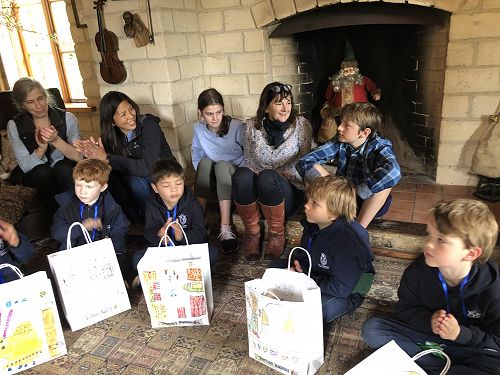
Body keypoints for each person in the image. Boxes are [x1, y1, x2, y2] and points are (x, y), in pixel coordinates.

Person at [362, 199, 500, 374]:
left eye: (441, 239)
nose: (428, 244)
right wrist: (430, 320)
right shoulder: (417, 271)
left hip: (469, 347)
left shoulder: (492, 288)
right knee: (373, 330)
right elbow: (405, 309)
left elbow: (496, 341)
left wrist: (460, 334)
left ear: (470, 253)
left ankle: (435, 365)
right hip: (429, 338)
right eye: (429, 234)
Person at [273, 176, 374, 322]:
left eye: (315, 203)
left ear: (333, 213)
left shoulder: (349, 242)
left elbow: (341, 288)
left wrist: (305, 279)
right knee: (274, 268)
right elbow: (304, 253)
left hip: (347, 290)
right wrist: (298, 269)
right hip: (319, 273)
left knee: (319, 309)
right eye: (308, 200)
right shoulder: (313, 224)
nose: (306, 206)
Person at [232, 82, 312, 261]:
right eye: (278, 103)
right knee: (241, 175)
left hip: (288, 193)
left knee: (268, 177)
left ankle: (276, 235)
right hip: (260, 194)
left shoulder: (301, 125)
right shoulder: (252, 126)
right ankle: (252, 233)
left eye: (289, 102)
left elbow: (306, 163)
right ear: (266, 107)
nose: (286, 108)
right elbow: (250, 161)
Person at [74, 91, 175, 224]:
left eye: (131, 109)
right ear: (112, 122)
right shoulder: (110, 136)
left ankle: (152, 221)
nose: (131, 116)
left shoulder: (149, 125)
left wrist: (107, 158)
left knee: (135, 183)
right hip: (134, 176)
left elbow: (149, 167)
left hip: (162, 172)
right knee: (110, 180)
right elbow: (109, 169)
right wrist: (97, 160)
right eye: (123, 114)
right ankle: (129, 221)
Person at [297, 102, 400, 228]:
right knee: (313, 167)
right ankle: (323, 215)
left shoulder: (379, 147)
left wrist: (357, 191)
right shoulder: (340, 141)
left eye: (347, 125)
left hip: (364, 201)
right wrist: (331, 189)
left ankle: (357, 229)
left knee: (385, 185)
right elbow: (305, 161)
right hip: (340, 199)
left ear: (364, 133)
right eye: (341, 122)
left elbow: (394, 171)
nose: (339, 127)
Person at [131, 159, 219, 288]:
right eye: (166, 186)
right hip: (164, 251)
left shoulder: (192, 203)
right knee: (137, 258)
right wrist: (159, 235)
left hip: (187, 251)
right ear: (155, 188)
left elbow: (201, 233)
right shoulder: (152, 204)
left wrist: (181, 236)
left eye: (178, 183)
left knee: (212, 253)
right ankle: (182, 275)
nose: (174, 190)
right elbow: (149, 232)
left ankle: (160, 275)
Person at [7, 77, 82, 212]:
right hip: (35, 173)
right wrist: (41, 149)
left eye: (41, 98)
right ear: (22, 105)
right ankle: (58, 216)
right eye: (30, 102)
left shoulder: (68, 118)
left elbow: (79, 157)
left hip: (64, 168)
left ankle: (77, 212)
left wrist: (55, 140)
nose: (38, 106)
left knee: (62, 167)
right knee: (44, 172)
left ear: (46, 96)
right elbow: (24, 166)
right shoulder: (14, 125)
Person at [51, 159, 131, 283]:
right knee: (61, 266)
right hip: (77, 252)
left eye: (89, 186)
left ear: (103, 187)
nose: (83, 191)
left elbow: (120, 230)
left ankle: (120, 283)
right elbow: (57, 233)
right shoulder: (66, 206)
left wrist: (108, 245)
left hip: (104, 253)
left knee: (122, 258)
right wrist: (81, 227)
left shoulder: (112, 208)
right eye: (78, 185)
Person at [191, 88, 244, 254]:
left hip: (233, 170)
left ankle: (225, 228)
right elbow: (197, 154)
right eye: (209, 114)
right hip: (212, 171)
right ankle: (200, 223)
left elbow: (248, 153)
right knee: (204, 163)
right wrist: (203, 173)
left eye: (218, 112)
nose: (215, 118)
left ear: (223, 110)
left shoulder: (236, 126)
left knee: (221, 165)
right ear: (200, 113)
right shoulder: (198, 129)